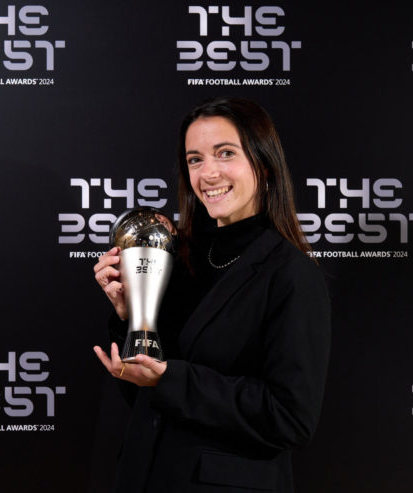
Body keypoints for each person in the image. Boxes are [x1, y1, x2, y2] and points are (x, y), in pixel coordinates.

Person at [93, 97, 331, 493]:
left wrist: (171, 378)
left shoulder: (291, 274)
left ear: (265, 164)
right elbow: (144, 399)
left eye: (225, 153)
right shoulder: (176, 256)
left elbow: (290, 418)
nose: (209, 173)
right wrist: (130, 318)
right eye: (195, 159)